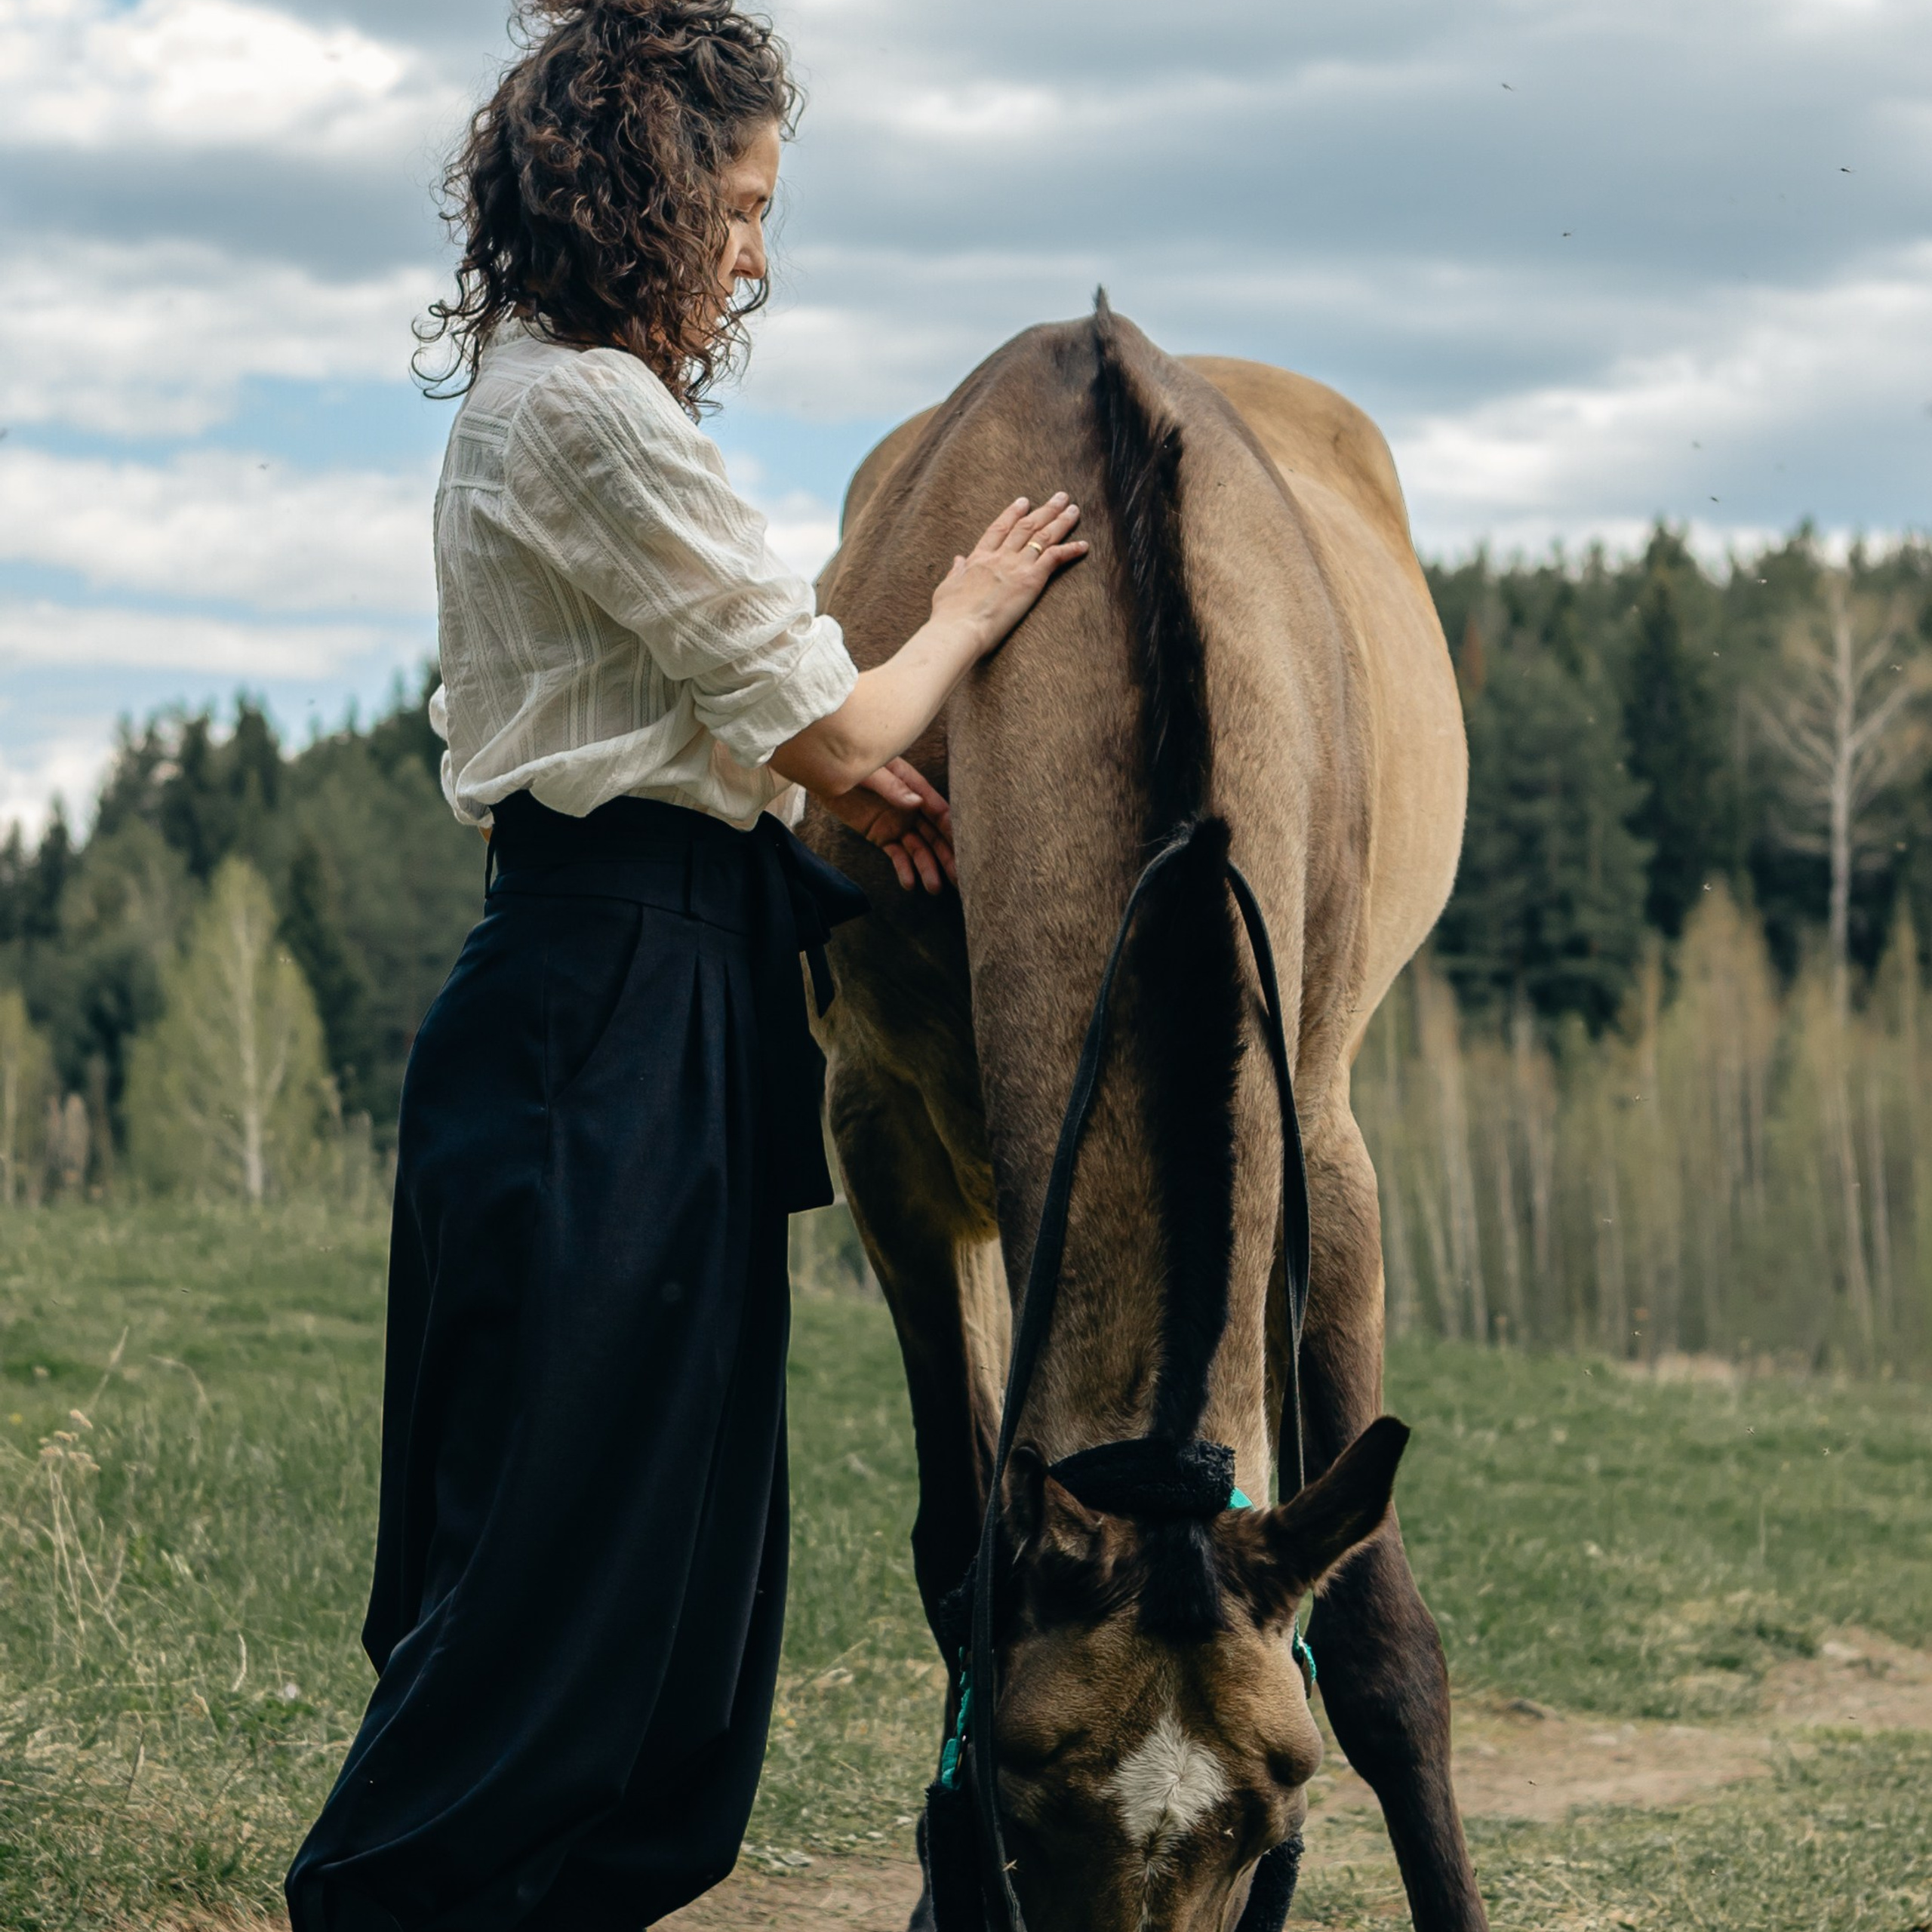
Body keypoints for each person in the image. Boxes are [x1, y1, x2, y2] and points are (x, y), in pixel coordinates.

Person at [283, 4, 1086, 1929]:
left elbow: (751, 726)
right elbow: (833, 700)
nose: (751, 253)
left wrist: (817, 765)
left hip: (654, 982)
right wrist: (967, 609)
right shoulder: (580, 413)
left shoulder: (557, 400)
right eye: (734, 207)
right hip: (601, 1014)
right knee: (566, 1547)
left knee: (660, 1553)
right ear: (642, 194)